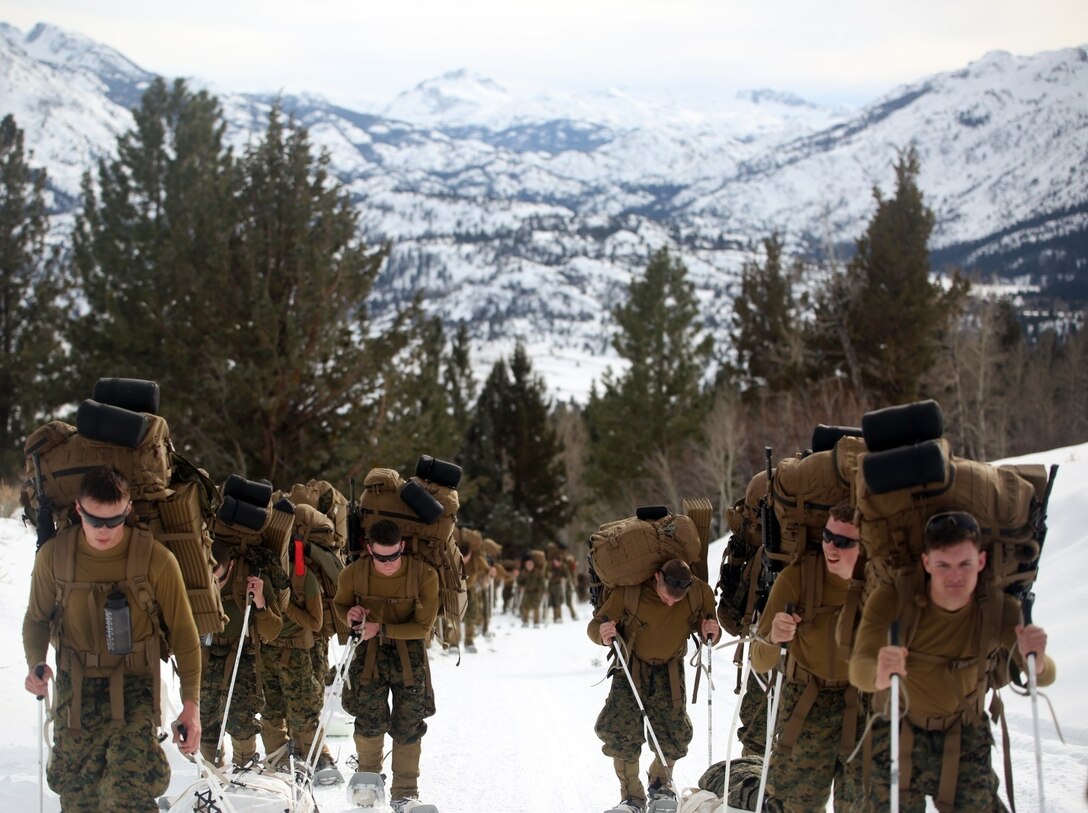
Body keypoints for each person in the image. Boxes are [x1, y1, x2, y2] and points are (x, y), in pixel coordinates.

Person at [849, 510, 1056, 812]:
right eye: (943, 565)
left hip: (965, 731)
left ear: (981, 562)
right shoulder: (893, 599)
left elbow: (1044, 675)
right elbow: (859, 667)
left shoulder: (998, 607)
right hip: (898, 728)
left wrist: (1034, 659)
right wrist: (878, 673)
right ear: (926, 562)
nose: (955, 576)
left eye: (965, 564)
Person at [22, 465, 202, 811]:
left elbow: (184, 634)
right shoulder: (54, 557)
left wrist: (190, 705)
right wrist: (36, 663)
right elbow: (36, 619)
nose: (104, 531)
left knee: (129, 792)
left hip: (135, 685)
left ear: (128, 509)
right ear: (78, 509)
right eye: (95, 520)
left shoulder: (155, 560)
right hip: (75, 686)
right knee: (78, 795)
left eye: (114, 521)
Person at [748, 499, 865, 812]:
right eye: (827, 537)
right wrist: (774, 636)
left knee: (862, 804)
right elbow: (758, 659)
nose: (831, 547)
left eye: (843, 542)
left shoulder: (879, 582)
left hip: (866, 703)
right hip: (807, 702)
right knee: (794, 804)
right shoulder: (797, 578)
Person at [588, 558, 720, 812]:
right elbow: (596, 625)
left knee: (673, 732)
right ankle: (631, 797)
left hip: (670, 670)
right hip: (630, 667)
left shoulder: (699, 593)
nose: (670, 603)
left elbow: (709, 627)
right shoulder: (630, 593)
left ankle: (661, 785)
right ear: (657, 577)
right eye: (666, 597)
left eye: (676, 600)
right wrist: (602, 634)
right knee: (620, 731)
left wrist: (710, 631)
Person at [334, 519, 440, 812]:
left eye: (393, 556)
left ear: (402, 547)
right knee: (368, 719)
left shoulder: (424, 575)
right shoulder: (354, 573)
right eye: (380, 557)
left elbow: (422, 628)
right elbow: (340, 605)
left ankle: (405, 793)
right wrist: (351, 616)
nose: (388, 563)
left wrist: (380, 629)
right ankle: (367, 784)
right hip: (368, 654)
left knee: (409, 724)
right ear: (369, 549)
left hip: (410, 656)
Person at [200, 538, 283, 767]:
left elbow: (273, 630)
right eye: (211, 578)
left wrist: (260, 603)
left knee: (240, 719)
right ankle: (210, 776)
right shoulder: (194, 580)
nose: (215, 584)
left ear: (232, 565)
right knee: (205, 719)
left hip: (241, 652)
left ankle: (244, 769)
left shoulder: (254, 581)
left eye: (220, 577)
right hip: (205, 650)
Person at [259, 539, 324, 769]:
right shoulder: (259, 575)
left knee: (303, 710)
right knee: (270, 710)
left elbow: (315, 623)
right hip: (265, 649)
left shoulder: (303, 578)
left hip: (295, 652)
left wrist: (286, 606)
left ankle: (316, 760)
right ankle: (278, 762)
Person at [517, 552, 546, 627]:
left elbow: (542, 582)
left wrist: (542, 591)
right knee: (525, 607)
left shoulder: (538, 573)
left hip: (536, 592)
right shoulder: (523, 573)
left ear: (533, 565)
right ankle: (525, 621)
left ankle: (536, 622)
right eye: (527, 565)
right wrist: (521, 587)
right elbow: (519, 581)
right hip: (526, 592)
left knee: (536, 607)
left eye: (530, 564)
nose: (529, 566)